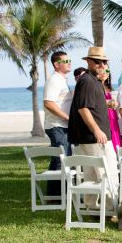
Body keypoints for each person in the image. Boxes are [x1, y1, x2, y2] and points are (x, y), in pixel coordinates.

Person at [68, 46, 119, 208]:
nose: (102, 65)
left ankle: (91, 207)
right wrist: (97, 130)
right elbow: (83, 108)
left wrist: (107, 103)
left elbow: (90, 103)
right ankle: (112, 209)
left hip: (88, 137)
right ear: (89, 62)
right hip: (95, 137)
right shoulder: (87, 81)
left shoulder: (92, 81)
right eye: (98, 62)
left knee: (91, 173)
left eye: (104, 62)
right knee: (108, 173)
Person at [42, 51, 73, 196]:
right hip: (57, 125)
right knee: (61, 159)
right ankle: (58, 195)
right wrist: (67, 117)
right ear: (56, 65)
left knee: (59, 159)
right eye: (65, 61)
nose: (69, 63)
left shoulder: (61, 80)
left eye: (69, 60)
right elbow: (49, 103)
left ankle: (55, 194)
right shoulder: (55, 79)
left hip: (61, 125)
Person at [99, 70, 121, 152]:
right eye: (104, 71)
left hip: (113, 114)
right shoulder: (97, 86)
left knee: (115, 136)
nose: (106, 73)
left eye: (108, 71)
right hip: (105, 115)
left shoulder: (109, 87)